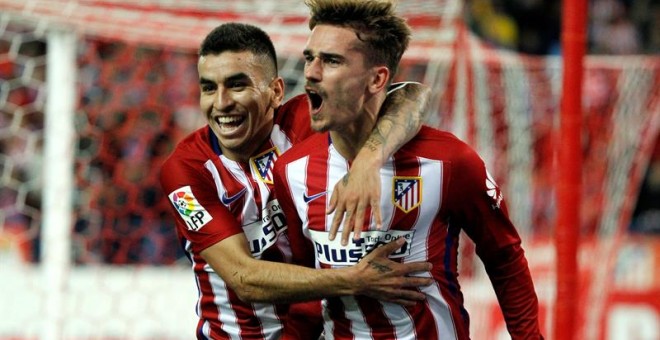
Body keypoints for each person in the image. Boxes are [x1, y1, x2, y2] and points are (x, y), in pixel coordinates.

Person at [272, 0, 544, 339]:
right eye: (310, 57)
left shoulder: (448, 162)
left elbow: (504, 258)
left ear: (377, 79)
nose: (311, 71)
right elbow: (306, 284)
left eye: (331, 60)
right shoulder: (291, 170)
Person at [159, 22, 433, 339]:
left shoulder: (306, 121)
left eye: (236, 85)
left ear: (276, 91)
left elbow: (413, 95)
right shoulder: (185, 170)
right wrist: (356, 279)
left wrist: (367, 162)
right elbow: (243, 277)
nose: (220, 103)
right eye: (209, 88)